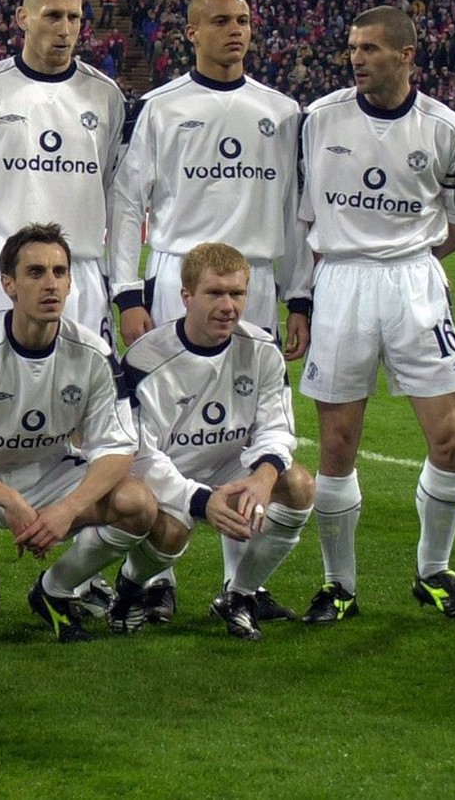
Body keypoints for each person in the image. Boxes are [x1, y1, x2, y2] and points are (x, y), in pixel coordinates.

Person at [107, 0, 309, 622]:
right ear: (191, 32)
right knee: (172, 424)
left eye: (244, 20)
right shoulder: (160, 106)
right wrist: (128, 293)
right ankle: (157, 572)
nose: (235, 31)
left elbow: (295, 212)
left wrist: (299, 296)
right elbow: (127, 202)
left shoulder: (282, 111)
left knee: (244, 423)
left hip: (256, 280)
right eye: (221, 21)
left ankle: (239, 582)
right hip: (177, 278)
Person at [0, 0, 127, 618]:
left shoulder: (107, 97)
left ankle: (80, 571)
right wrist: (5, 263)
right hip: (3, 277)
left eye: (75, 18)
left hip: (83, 280)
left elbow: (110, 192)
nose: (65, 29)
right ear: (22, 19)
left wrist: (64, 270)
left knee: (83, 419)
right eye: (52, 16)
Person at [295, 6, 455, 623]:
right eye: (353, 47)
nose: (357, 58)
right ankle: (338, 585)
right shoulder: (319, 120)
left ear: (406, 56)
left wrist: (415, 264)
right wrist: (300, 297)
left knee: (451, 441)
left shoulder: (449, 130)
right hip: (342, 280)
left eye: (371, 49)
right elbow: (301, 221)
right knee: (337, 444)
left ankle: (433, 572)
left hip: (414, 283)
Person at [0, 224, 152, 649]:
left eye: (59, 272)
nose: (50, 284)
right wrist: (8, 500)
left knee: (139, 505)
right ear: (8, 284)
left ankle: (54, 591)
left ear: (71, 281)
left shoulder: (93, 353)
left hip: (50, 477)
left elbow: (117, 447)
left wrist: (68, 509)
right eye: (36, 272)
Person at [116, 243, 314, 640]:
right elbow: (139, 454)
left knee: (298, 485)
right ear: (186, 296)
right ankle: (132, 587)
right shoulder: (144, 359)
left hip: (230, 467)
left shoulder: (261, 349)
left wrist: (261, 478)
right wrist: (201, 501)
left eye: (237, 294)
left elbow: (276, 427)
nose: (228, 305)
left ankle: (239, 596)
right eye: (215, 293)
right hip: (168, 472)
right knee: (172, 532)